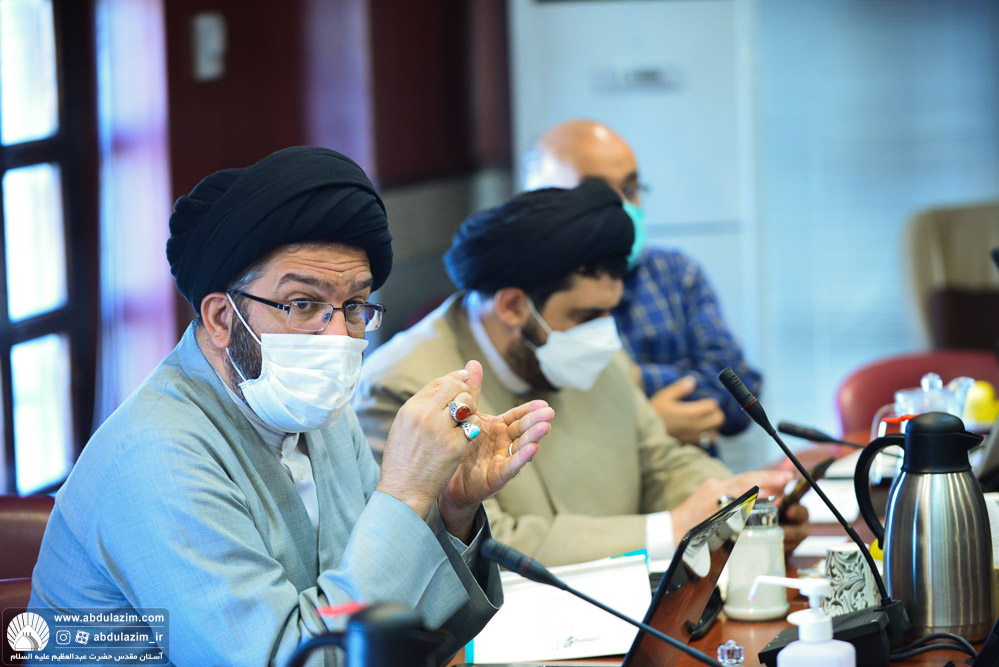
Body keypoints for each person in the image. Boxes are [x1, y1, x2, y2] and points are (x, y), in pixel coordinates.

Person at [28, 147, 554, 665]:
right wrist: (405, 493)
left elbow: (402, 636)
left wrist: (450, 512)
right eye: (303, 304)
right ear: (221, 319)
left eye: (354, 306)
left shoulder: (318, 410)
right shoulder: (154, 457)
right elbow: (289, 660)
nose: (337, 337)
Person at [355, 182, 805, 567]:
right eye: (585, 316)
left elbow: (661, 462)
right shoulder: (406, 389)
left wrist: (734, 507)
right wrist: (673, 528)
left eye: (609, 313)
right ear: (512, 305)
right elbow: (482, 545)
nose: (604, 335)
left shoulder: (586, 347)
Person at [522, 118, 763, 447]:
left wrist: (636, 381)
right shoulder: (524, 300)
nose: (620, 208)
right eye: (596, 194)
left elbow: (740, 393)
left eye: (630, 190)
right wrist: (646, 425)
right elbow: (548, 430)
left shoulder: (675, 273)